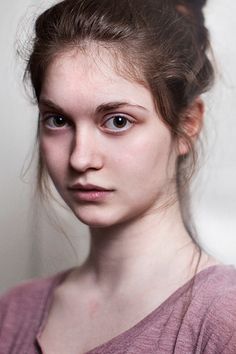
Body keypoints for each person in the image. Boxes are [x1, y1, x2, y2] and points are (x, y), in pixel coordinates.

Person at [1, 0, 236, 353]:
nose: (80, 158)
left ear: (188, 124)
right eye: (58, 120)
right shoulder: (13, 312)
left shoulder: (222, 318)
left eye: (118, 121)